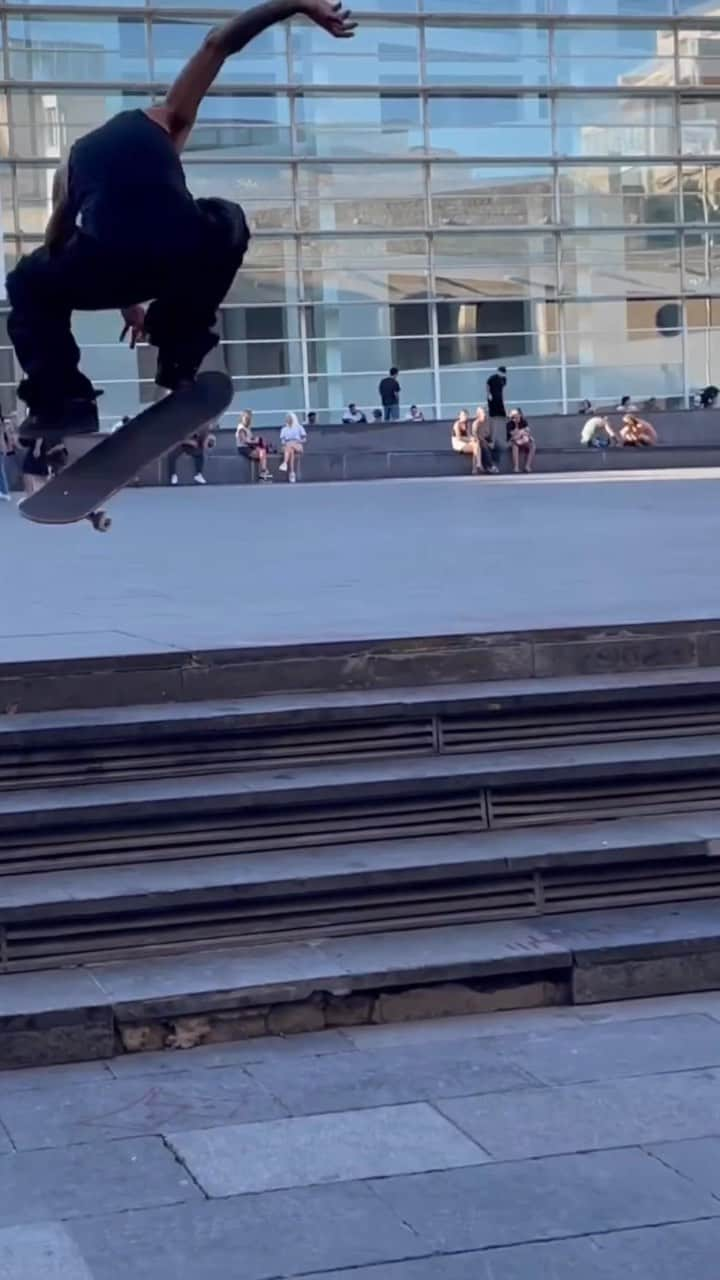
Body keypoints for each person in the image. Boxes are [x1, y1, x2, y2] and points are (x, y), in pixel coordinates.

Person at [5, 0, 356, 442]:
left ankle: (63, 403)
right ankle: (177, 357)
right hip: (175, 254)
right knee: (225, 219)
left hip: (110, 265)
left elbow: (61, 241)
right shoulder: (167, 119)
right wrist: (294, 4)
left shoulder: (71, 166)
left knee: (26, 282)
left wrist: (124, 298)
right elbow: (217, 44)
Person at [235, 408, 272, 481]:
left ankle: (264, 472)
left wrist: (256, 440)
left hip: (249, 447)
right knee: (262, 452)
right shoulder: (241, 428)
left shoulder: (247, 428)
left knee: (262, 450)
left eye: (249, 417)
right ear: (243, 418)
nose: (248, 419)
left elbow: (250, 438)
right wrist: (255, 441)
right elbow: (244, 440)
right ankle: (263, 472)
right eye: (246, 417)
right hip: (243, 448)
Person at [472, 406, 502, 474]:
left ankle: (492, 465)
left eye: (485, 412)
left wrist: (492, 442)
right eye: (482, 413)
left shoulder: (490, 421)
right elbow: (475, 435)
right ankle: (490, 466)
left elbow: (493, 433)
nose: (484, 414)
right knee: (484, 446)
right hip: (480, 440)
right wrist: (487, 442)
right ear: (478, 414)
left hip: (488, 438)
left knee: (498, 446)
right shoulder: (476, 423)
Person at [451, 409, 482, 473]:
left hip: (465, 442)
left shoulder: (467, 424)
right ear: (459, 416)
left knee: (477, 444)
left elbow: (468, 435)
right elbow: (458, 438)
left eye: (465, 415)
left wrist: (473, 438)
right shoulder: (457, 424)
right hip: (458, 444)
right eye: (463, 415)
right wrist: (470, 439)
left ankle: (477, 466)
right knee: (475, 446)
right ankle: (477, 466)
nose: (464, 416)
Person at [279, 411, 306, 483]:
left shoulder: (299, 427)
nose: (287, 420)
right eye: (287, 418)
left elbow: (304, 439)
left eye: (289, 418)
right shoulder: (284, 429)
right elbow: (282, 441)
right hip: (287, 446)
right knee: (291, 451)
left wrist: (296, 442)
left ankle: (284, 463)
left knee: (290, 446)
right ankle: (292, 473)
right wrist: (288, 443)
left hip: (297, 444)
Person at [506, 408, 535, 474]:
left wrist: (522, 433)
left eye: (518, 416)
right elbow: (513, 436)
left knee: (532, 446)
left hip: (523, 440)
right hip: (512, 441)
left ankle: (527, 466)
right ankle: (516, 467)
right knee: (515, 445)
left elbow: (528, 432)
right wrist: (522, 431)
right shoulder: (509, 424)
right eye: (514, 417)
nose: (516, 418)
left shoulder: (524, 421)